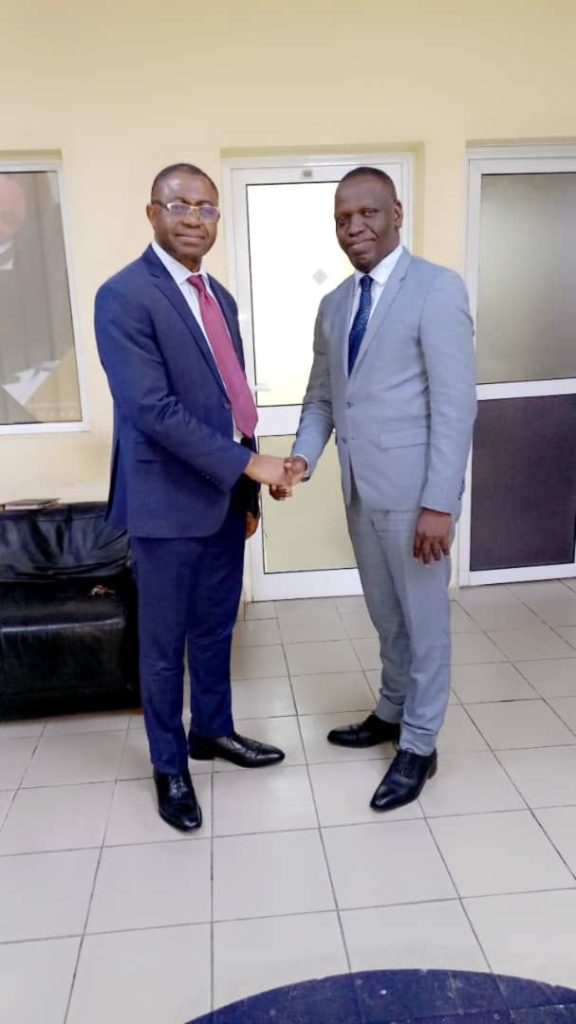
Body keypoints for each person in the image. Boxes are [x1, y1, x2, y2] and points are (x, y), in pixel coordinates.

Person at [95, 163, 291, 832]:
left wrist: (250, 485)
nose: (193, 218)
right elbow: (151, 408)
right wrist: (250, 462)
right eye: (179, 204)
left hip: (224, 496)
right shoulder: (124, 295)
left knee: (215, 627)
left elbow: (233, 400)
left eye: (206, 207)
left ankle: (213, 730)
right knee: (163, 644)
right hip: (165, 500)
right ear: (152, 212)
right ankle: (169, 765)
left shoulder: (220, 298)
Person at [276, 166, 477, 811]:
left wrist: (440, 504)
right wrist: (302, 459)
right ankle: (392, 710)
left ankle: (419, 743)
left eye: (367, 213)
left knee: (425, 623)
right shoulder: (335, 305)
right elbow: (322, 398)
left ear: (396, 213)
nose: (354, 227)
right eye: (342, 218)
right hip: (361, 493)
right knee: (387, 616)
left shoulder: (436, 289)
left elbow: (454, 405)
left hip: (419, 500)